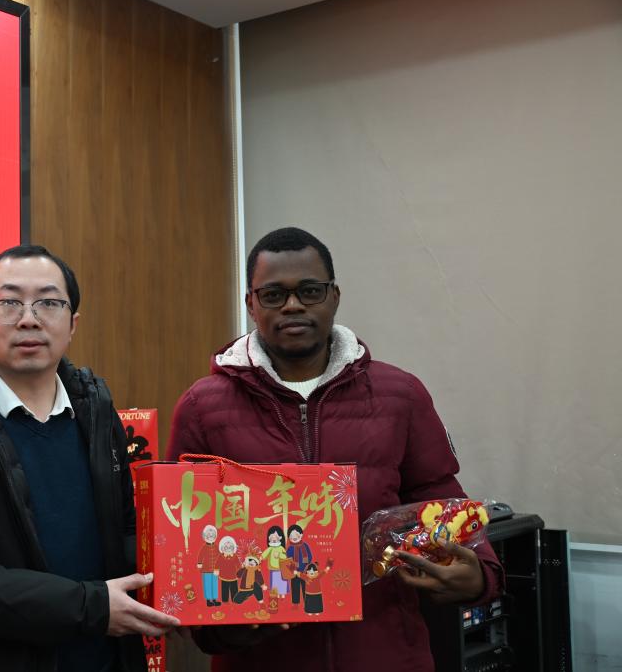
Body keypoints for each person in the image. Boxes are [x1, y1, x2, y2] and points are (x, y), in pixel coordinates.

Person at [167, 227, 505, 672]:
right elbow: (185, 543)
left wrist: (482, 574)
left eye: (310, 290)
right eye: (273, 295)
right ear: (251, 304)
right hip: (261, 659)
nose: (293, 305)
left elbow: (441, 497)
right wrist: (222, 626)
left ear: (334, 296)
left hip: (387, 655)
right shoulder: (201, 408)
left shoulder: (400, 395)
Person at [0, 245, 179, 672]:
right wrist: (89, 606)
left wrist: (185, 587)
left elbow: (124, 529)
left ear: (72, 323)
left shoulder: (96, 410)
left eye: (48, 302)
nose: (29, 318)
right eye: (9, 303)